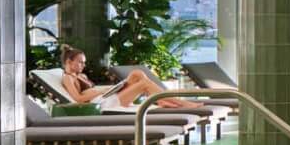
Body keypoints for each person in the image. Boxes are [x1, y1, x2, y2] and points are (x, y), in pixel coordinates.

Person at [56, 46, 206, 111]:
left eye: (84, 62)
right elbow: (78, 99)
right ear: (69, 62)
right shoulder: (68, 78)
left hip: (106, 95)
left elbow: (88, 92)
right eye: (80, 62)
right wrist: (103, 90)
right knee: (144, 84)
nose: (83, 65)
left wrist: (105, 89)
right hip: (103, 103)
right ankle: (183, 103)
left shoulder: (81, 76)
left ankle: (160, 100)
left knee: (137, 74)